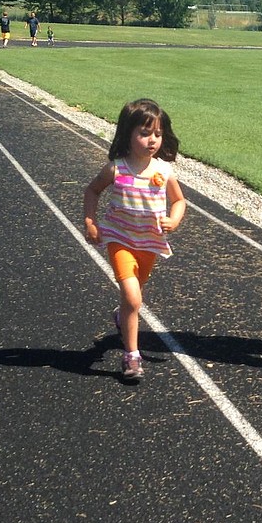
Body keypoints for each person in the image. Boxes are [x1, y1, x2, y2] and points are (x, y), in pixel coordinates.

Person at [83, 99, 186, 380]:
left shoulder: (163, 171)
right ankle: (132, 356)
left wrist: (174, 219)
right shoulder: (116, 169)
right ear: (127, 134)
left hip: (149, 244)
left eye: (158, 134)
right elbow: (92, 191)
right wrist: (91, 222)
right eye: (144, 133)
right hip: (120, 240)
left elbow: (179, 201)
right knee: (132, 297)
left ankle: (122, 315)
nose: (152, 140)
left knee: (133, 297)